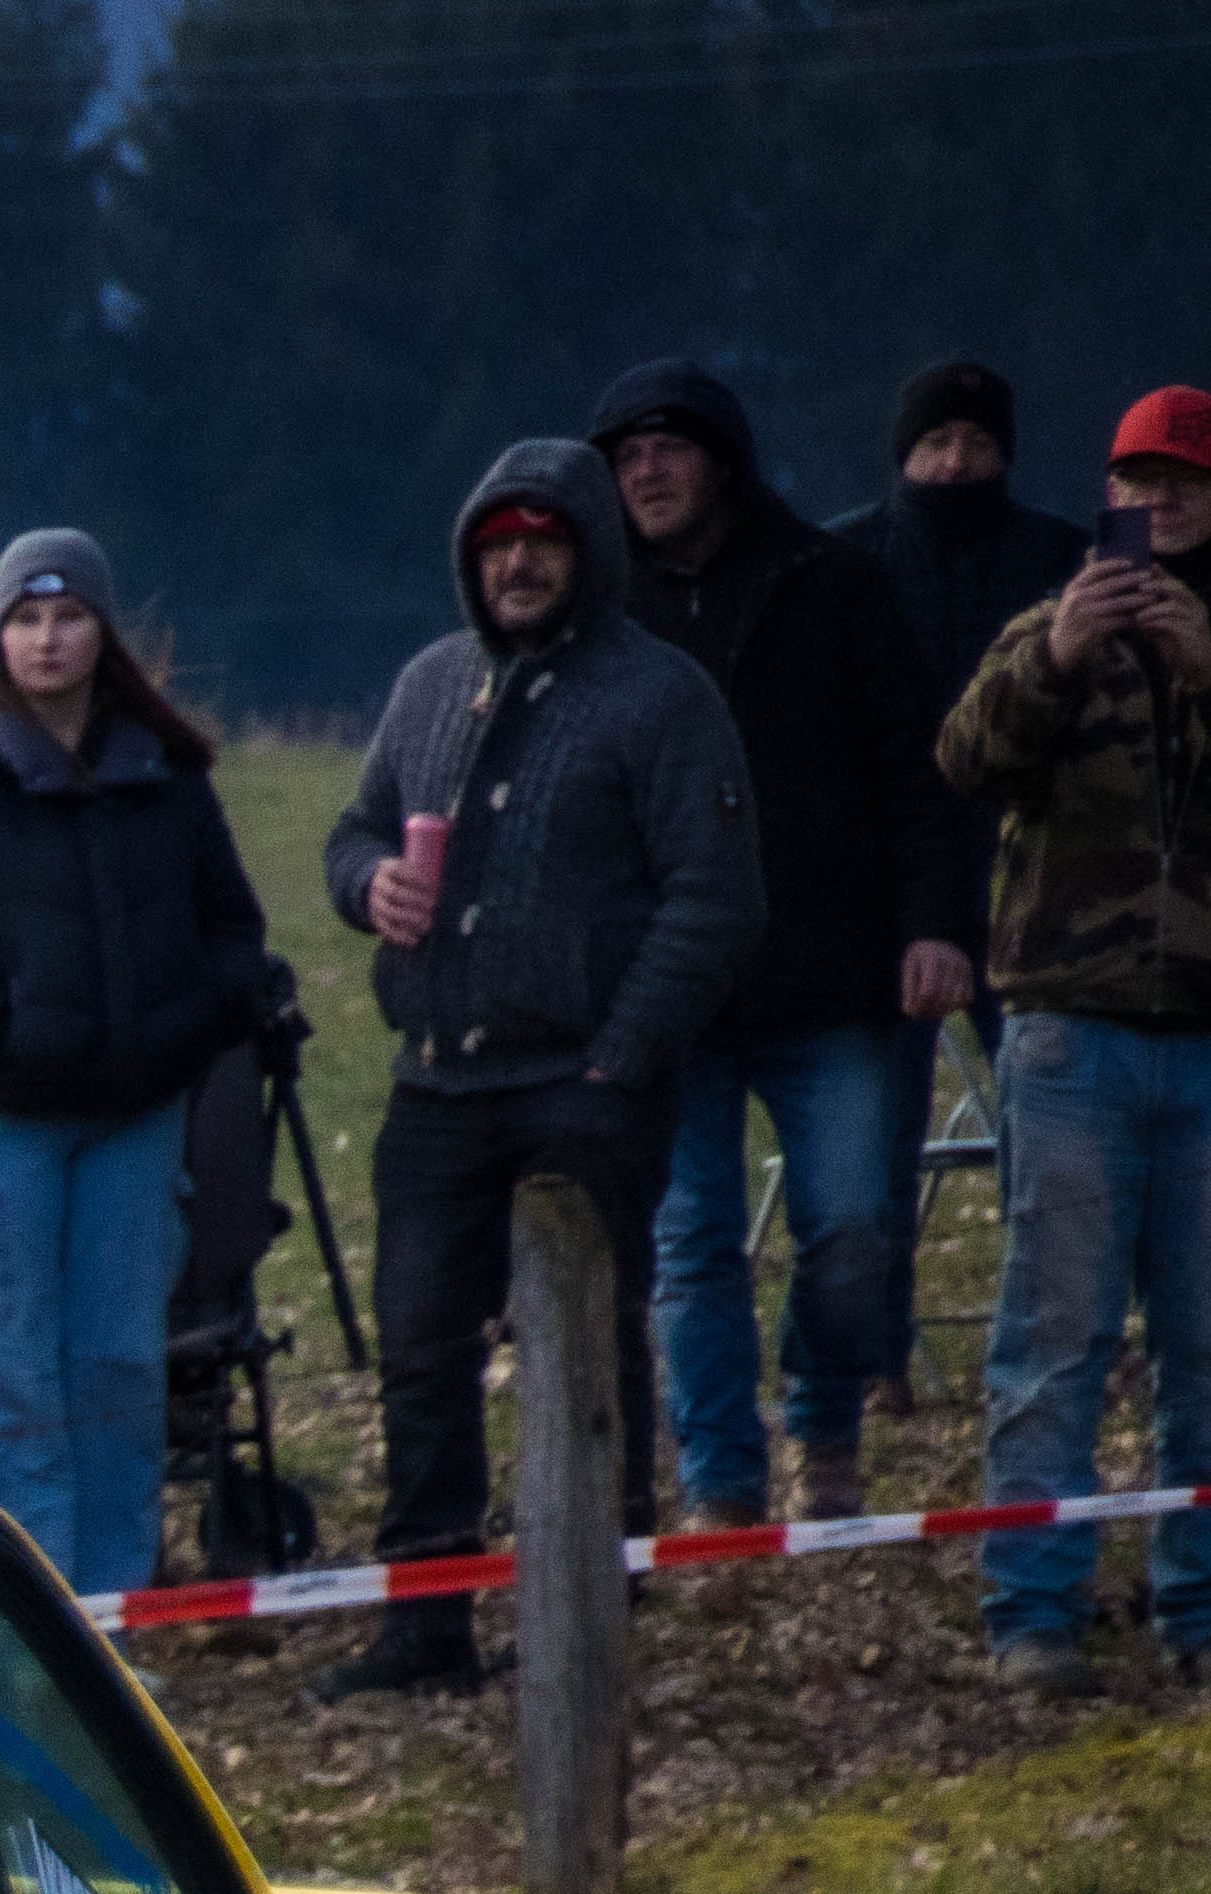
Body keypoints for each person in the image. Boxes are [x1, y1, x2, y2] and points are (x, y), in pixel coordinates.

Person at [325, 443, 756, 1692]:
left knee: (583, 1340)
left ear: (590, 553)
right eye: (496, 542)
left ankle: (590, 1611)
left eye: (544, 540)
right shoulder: (428, 683)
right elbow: (354, 828)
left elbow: (716, 898)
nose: (517, 561)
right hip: (436, 1077)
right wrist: (368, 883)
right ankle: (423, 1623)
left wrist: (623, 1055)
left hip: (587, 1079)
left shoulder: (660, 697)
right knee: (418, 1349)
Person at [0, 531, 279, 1594]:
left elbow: (234, 933)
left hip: (131, 1127)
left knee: (119, 1380)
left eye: (67, 614)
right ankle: (3, 1658)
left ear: (104, 632)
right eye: (24, 619)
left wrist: (181, 1028)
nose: (46, 638)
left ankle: (110, 1646)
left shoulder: (168, 780)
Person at [588, 363, 963, 1530]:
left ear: (725, 458)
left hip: (833, 974)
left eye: (669, 447)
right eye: (623, 455)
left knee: (852, 1228)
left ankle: (826, 1424)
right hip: (671, 989)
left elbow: (918, 770)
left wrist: (936, 924)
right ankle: (722, 1485)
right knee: (692, 1242)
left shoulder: (839, 585)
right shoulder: (602, 619)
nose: (645, 470)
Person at [929, 388, 1211, 1687]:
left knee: (1204, 1345)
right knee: (1056, 1334)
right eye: (1139, 486)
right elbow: (964, 759)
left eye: (1186, 488)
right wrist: (1056, 654)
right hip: (1069, 1036)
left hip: (1206, 1042)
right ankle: (1033, 1613)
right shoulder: (1051, 627)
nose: (1160, 509)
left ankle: (1197, 1610)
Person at [842, 362, 1096, 1432]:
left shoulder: (1059, 560)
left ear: (1005, 454)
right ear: (902, 453)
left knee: (1053, 1147)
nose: (955, 463)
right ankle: (872, 1359)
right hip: (880, 892)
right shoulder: (846, 561)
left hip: (1033, 891)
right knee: (870, 1153)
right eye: (935, 443)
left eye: (975, 445)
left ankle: (1072, 1345)